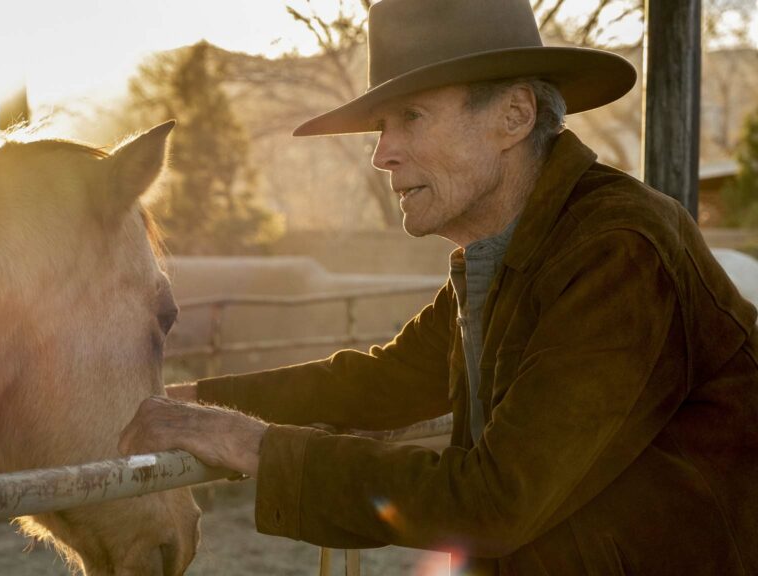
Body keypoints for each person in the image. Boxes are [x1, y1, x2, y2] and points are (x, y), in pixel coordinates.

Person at [119, 0, 758, 573]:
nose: (382, 153)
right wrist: (188, 401)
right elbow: (383, 382)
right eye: (381, 127)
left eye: (411, 117)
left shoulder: (618, 252)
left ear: (514, 115)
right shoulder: (512, 252)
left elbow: (494, 501)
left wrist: (244, 442)